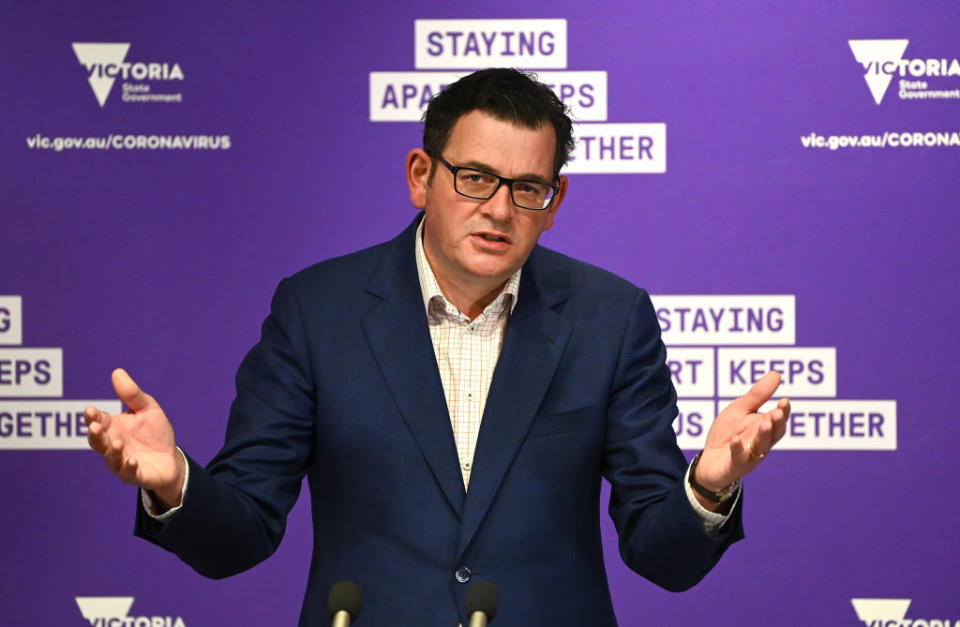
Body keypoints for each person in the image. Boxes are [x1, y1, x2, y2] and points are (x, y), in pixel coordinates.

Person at [84, 68, 790, 626]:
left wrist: (705, 485)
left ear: (556, 199)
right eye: (476, 177)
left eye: (528, 188)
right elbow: (240, 532)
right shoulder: (317, 310)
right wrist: (175, 480)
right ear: (422, 175)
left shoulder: (611, 318)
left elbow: (660, 554)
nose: (499, 208)